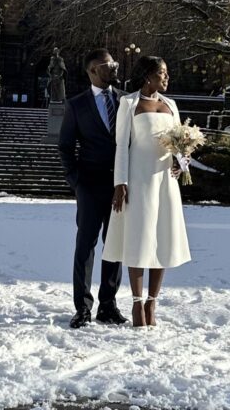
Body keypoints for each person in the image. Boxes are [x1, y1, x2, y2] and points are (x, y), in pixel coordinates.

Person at [102, 55, 191, 327]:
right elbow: (121, 146)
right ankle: (137, 304)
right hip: (138, 179)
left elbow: (180, 143)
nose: (167, 78)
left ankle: (153, 301)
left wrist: (182, 163)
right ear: (148, 76)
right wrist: (120, 183)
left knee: (161, 236)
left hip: (165, 179)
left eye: (167, 73)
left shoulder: (171, 105)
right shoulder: (128, 104)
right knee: (139, 239)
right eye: (162, 73)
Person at [57, 48, 126, 329]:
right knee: (85, 246)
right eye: (109, 66)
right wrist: (77, 181)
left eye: (115, 64)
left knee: (116, 245)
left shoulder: (126, 101)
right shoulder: (76, 105)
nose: (114, 70)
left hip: (120, 185)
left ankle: (108, 305)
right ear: (93, 70)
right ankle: (83, 308)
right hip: (89, 184)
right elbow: (65, 146)